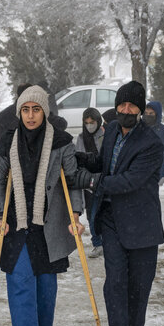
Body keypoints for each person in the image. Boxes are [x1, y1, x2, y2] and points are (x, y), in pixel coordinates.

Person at [0, 85, 83, 326]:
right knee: (20, 281)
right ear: (20, 112)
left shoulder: (62, 142)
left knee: (46, 286)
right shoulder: (9, 141)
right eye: (26, 110)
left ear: (45, 111)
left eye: (36, 109)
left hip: (49, 223)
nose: (31, 116)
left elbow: (73, 179)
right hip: (17, 223)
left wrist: (75, 215)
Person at [75, 81, 164, 326]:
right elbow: (104, 162)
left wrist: (91, 181)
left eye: (132, 106)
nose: (125, 110)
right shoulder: (112, 129)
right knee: (115, 281)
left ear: (140, 109)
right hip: (112, 219)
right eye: (122, 105)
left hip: (142, 222)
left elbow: (131, 181)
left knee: (139, 284)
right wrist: (78, 158)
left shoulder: (151, 143)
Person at [75, 108, 104, 258]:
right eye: (86, 123)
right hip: (88, 183)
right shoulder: (81, 138)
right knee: (92, 215)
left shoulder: (104, 136)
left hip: (104, 181)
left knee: (104, 214)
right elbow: (79, 159)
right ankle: (97, 243)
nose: (89, 126)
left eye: (92, 122)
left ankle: (108, 242)